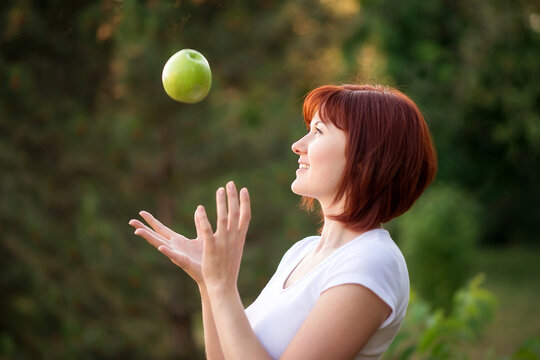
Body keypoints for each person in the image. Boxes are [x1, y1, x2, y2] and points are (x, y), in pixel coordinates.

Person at [129, 84, 437, 360]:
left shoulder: (372, 261)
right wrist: (209, 283)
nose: (298, 145)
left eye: (318, 131)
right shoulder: (301, 252)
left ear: (366, 156)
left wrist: (223, 287)